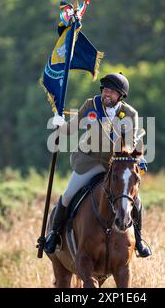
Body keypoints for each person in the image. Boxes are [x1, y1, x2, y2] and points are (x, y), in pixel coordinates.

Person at [44, 73, 152, 258]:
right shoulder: (91, 105)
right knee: (69, 194)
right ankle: (54, 234)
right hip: (90, 161)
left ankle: (139, 241)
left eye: (111, 92)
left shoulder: (130, 114)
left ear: (120, 95)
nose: (106, 94)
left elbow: (129, 145)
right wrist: (59, 124)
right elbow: (72, 128)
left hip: (116, 165)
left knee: (136, 201)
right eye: (105, 90)